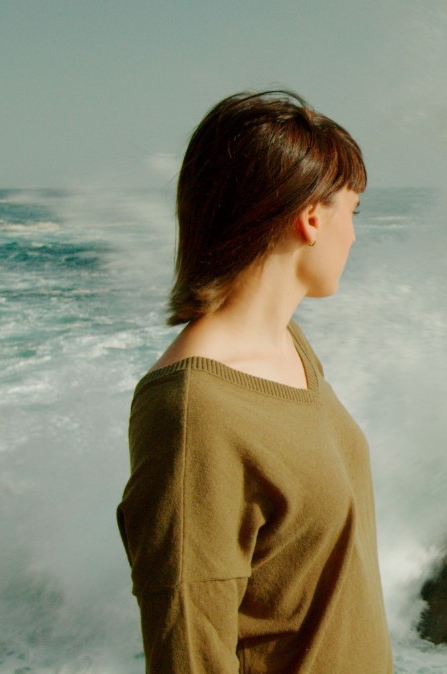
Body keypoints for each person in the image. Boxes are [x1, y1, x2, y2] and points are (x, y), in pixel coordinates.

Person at [116, 91, 393, 673]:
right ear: (312, 217)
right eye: (354, 211)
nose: (354, 236)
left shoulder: (290, 349)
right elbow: (188, 650)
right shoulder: (194, 408)